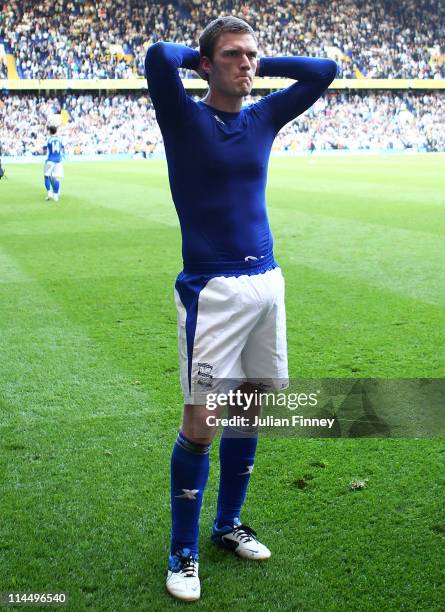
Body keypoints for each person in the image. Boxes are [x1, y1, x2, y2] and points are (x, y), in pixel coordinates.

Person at [145, 16, 337, 602]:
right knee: (202, 423)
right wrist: (206, 57)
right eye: (234, 56)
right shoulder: (185, 117)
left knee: (250, 414)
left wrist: (255, 63)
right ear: (206, 65)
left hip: (267, 283)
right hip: (213, 290)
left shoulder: (261, 115)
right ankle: (183, 550)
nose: (247, 64)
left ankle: (227, 525)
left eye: (251, 55)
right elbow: (157, 55)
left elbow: (323, 72)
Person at [43, 125, 64, 202]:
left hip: (50, 160)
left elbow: (44, 150)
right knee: (57, 178)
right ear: (56, 131)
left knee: (46, 176)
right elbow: (62, 148)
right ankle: (56, 196)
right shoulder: (60, 139)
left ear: (49, 131)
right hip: (58, 160)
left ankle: (49, 193)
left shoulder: (48, 139)